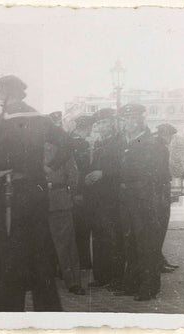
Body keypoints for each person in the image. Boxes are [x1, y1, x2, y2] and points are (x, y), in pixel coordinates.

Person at [0, 75, 71, 311]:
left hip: (12, 192)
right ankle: (49, 312)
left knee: (11, 255)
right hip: (39, 191)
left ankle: (9, 314)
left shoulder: (0, 122)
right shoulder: (41, 119)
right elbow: (67, 143)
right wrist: (48, 167)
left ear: (5, 94)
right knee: (40, 253)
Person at [115, 103, 160, 301]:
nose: (128, 123)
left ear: (141, 120)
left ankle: (149, 287)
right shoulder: (126, 142)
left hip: (143, 199)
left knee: (146, 244)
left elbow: (155, 175)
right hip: (127, 199)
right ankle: (132, 283)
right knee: (130, 242)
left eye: (132, 119)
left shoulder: (151, 143)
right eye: (125, 119)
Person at [45, 114, 85, 295]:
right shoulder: (31, 151)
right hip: (38, 201)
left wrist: (69, 194)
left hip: (57, 199)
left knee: (65, 244)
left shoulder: (63, 152)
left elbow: (74, 177)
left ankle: (73, 281)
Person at [85, 108, 125, 290]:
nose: (101, 126)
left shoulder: (119, 142)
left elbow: (125, 168)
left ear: (112, 123)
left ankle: (116, 278)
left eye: (104, 122)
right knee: (99, 238)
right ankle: (101, 276)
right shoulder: (99, 143)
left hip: (112, 198)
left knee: (113, 238)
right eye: (98, 123)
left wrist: (103, 173)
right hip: (97, 199)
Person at [70, 114, 95, 271]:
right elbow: (79, 171)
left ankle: (80, 262)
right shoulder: (81, 144)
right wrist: (78, 192)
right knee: (81, 228)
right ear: (85, 128)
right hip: (80, 192)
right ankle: (83, 262)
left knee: (76, 228)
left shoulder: (70, 141)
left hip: (72, 191)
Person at [153, 123, 179, 273]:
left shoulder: (157, 146)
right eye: (170, 136)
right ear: (165, 135)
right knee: (159, 229)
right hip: (159, 193)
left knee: (158, 230)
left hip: (158, 191)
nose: (171, 139)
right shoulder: (161, 148)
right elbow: (161, 172)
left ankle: (160, 260)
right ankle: (158, 262)